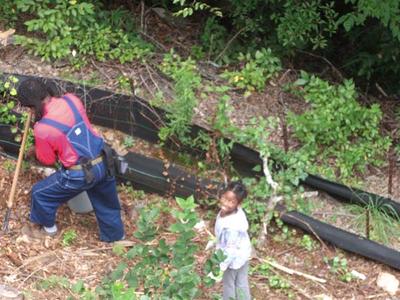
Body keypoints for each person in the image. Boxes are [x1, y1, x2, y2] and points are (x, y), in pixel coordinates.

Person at [17, 78, 124, 242]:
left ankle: (49, 230)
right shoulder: (72, 100)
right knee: (107, 203)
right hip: (104, 160)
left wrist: (36, 150)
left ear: (31, 107)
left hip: (79, 174)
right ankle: (116, 238)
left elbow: (47, 159)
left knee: (40, 193)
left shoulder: (43, 129)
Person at [215, 181, 252, 300]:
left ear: (238, 203)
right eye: (225, 198)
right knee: (241, 282)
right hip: (244, 253)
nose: (226, 203)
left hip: (233, 258)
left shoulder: (232, 227)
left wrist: (222, 266)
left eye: (231, 201)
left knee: (229, 284)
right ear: (221, 195)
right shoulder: (231, 212)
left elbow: (230, 250)